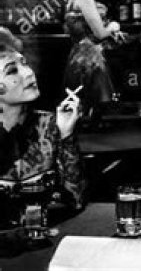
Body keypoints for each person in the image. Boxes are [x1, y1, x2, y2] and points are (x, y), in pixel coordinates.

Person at [0, 28, 85, 214]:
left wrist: (66, 134)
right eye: (12, 71)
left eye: (24, 63)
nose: (28, 73)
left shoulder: (49, 124)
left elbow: (75, 201)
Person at [63, 0, 126, 115]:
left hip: (80, 57)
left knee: (83, 111)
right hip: (90, 60)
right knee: (96, 111)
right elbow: (100, 34)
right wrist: (113, 26)